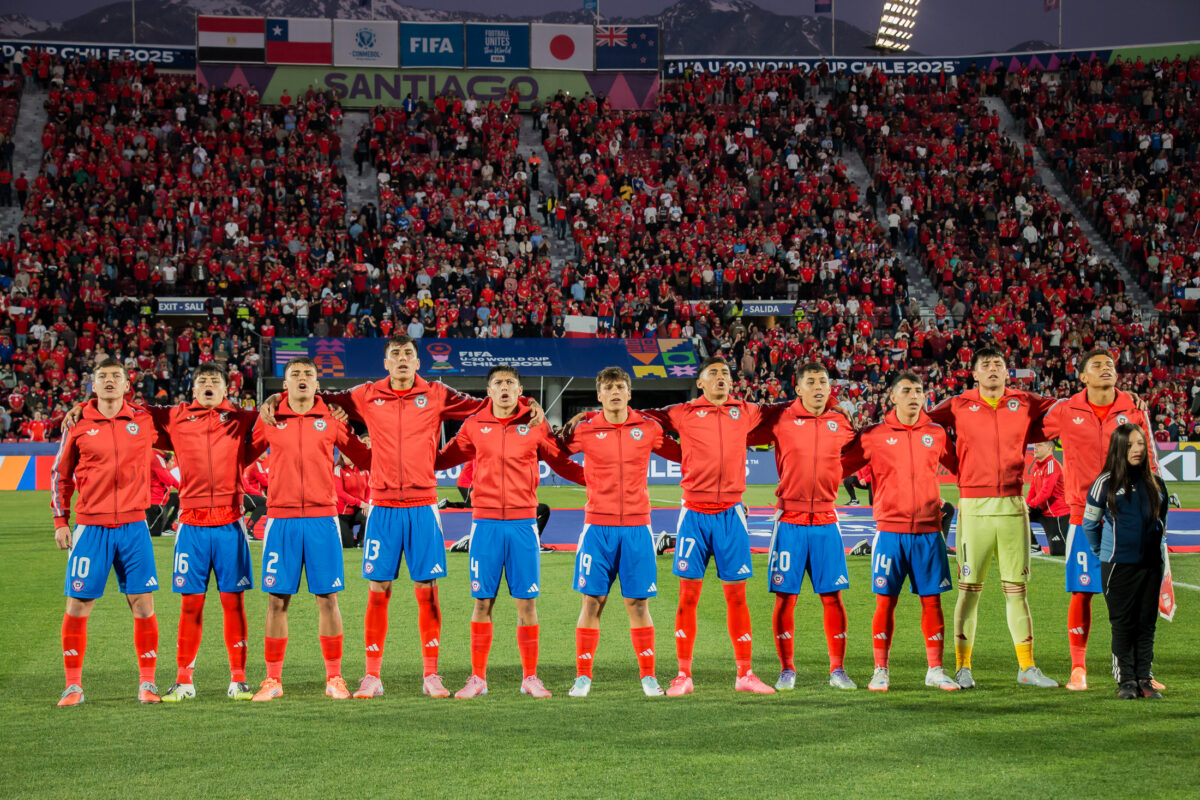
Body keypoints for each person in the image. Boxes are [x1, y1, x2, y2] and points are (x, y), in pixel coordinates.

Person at [260, 335, 541, 699]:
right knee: (378, 591)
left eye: (409, 353)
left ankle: (431, 675)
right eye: (396, 354)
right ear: (386, 362)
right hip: (383, 507)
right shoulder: (365, 394)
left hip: (423, 506)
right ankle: (372, 676)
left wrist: (528, 402)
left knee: (427, 591)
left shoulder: (437, 393)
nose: (403, 359)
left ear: (417, 362)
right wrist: (274, 398)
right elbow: (314, 395)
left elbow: (485, 403)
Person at [434, 366, 585, 700]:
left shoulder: (534, 424)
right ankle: (477, 678)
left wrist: (596, 478)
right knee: (482, 602)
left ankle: (530, 677)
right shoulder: (474, 426)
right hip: (485, 524)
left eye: (510, 383)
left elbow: (559, 461)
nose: (504, 388)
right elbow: (444, 459)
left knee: (526, 604)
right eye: (498, 383)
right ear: (488, 391)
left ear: (520, 390)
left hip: (522, 525)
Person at [643, 357, 776, 695]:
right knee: (688, 597)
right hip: (694, 514)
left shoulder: (745, 410)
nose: (721, 378)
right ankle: (683, 676)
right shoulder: (683, 412)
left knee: (737, 597)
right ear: (699, 383)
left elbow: (786, 411)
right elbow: (644, 418)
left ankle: (745, 674)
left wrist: (833, 403)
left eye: (725, 374)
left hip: (732, 514)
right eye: (713, 373)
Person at [928, 346, 1058, 689]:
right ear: (974, 374)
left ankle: (1027, 667)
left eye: (998, 364)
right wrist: (961, 466)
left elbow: (1066, 409)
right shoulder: (957, 404)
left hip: (1014, 506)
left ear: (1006, 371)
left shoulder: (1026, 401)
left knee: (1017, 590)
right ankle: (962, 667)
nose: (992, 369)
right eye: (985, 365)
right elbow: (926, 427)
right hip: (974, 507)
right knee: (969, 590)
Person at [247, 357, 372, 702]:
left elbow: (364, 457)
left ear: (318, 384)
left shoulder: (332, 419)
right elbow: (239, 454)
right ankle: (272, 680)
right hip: (281, 519)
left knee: (328, 599)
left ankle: (335, 678)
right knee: (277, 600)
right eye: (295, 375)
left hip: (322, 519)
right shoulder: (270, 418)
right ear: (284, 384)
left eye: (309, 375)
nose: (302, 379)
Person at [1039, 349, 1157, 691]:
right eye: (1097, 365)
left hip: (1130, 516)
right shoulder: (1065, 410)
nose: (1106, 368)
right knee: (1083, 591)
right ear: (1083, 377)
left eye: (1110, 365)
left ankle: (1139, 669)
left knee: (1136, 597)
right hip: (1083, 515)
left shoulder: (1133, 409)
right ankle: (1079, 668)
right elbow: (1033, 427)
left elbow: (1145, 457)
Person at [561, 367, 682, 698]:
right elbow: (554, 454)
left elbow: (684, 454)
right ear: (599, 395)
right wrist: (585, 478)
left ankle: (648, 677)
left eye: (620, 387)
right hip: (597, 528)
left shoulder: (648, 429)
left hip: (637, 528)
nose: (615, 392)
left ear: (629, 393)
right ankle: (583, 677)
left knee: (638, 604)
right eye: (608, 387)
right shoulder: (585, 430)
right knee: (592, 601)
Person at [145, 363, 261, 702]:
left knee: (233, 604)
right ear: (192, 389)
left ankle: (238, 680)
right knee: (190, 605)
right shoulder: (177, 417)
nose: (208, 385)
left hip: (229, 524)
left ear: (227, 389)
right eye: (202, 381)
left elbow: (276, 416)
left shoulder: (242, 420)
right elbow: (134, 411)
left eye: (215, 381)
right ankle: (184, 681)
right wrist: (82, 406)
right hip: (192, 526)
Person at [52, 358, 163, 706]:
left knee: (143, 605)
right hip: (91, 527)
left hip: (134, 526)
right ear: (93, 385)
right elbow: (61, 475)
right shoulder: (77, 423)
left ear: (128, 385)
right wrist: (60, 521)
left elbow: (189, 414)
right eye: (103, 377)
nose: (110, 381)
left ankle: (148, 684)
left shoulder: (144, 420)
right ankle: (73, 686)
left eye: (117, 376)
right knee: (79, 604)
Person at [841, 372, 961, 692]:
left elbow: (963, 467)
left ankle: (935, 669)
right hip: (890, 532)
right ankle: (880, 670)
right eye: (906, 390)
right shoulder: (874, 434)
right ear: (892, 397)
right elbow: (838, 465)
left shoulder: (936, 433)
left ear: (925, 397)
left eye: (918, 390)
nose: (913, 395)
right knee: (885, 602)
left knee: (932, 601)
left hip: (928, 532)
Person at [748, 363, 857, 691]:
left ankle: (837, 670)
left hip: (826, 520)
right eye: (811, 382)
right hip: (790, 522)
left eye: (823, 381)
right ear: (798, 389)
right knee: (785, 597)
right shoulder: (781, 420)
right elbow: (746, 430)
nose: (819, 386)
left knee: (833, 597)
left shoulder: (840, 422)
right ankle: (786, 670)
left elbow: (857, 453)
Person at [1082, 424, 1169, 699]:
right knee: (1123, 623)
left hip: (1151, 565)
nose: (1138, 449)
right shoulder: (1104, 483)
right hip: (1118, 565)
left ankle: (1144, 677)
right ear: (1119, 447)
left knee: (1146, 622)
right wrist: (1103, 553)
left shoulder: (1156, 483)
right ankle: (1126, 681)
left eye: (1141, 444)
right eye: (1131, 444)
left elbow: (1161, 523)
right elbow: (1090, 524)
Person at [1027, 441, 1069, 557]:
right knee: (1023, 514)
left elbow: (1046, 492)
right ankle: (1034, 545)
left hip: (1057, 514)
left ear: (1050, 449)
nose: (1035, 448)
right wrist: (1026, 505)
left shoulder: (1052, 465)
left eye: (1039, 445)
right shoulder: (1037, 465)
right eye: (1035, 445)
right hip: (1044, 511)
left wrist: (1031, 505)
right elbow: (1033, 489)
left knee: (1059, 552)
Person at [147, 450, 180, 536]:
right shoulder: (157, 458)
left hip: (157, 500)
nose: (173, 463)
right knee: (155, 533)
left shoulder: (157, 456)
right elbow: (168, 480)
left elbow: (171, 480)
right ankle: (166, 528)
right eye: (172, 461)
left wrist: (182, 488)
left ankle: (167, 527)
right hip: (155, 501)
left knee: (178, 499)